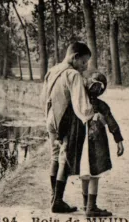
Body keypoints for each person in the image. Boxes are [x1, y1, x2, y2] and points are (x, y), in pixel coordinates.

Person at [40, 41, 98, 213]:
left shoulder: (52, 70)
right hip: (65, 121)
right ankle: (57, 201)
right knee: (64, 159)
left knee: (55, 156)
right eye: (83, 62)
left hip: (51, 119)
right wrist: (91, 116)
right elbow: (81, 103)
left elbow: (44, 97)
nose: (85, 66)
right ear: (75, 57)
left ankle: (54, 196)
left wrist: (48, 117)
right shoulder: (73, 75)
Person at [64, 71, 124, 217]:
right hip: (90, 143)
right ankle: (91, 207)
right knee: (92, 174)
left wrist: (118, 138)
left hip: (88, 143)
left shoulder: (82, 105)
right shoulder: (85, 105)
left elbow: (110, 121)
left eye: (99, 87)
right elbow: (109, 121)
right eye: (94, 85)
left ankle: (87, 205)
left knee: (87, 173)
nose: (96, 89)